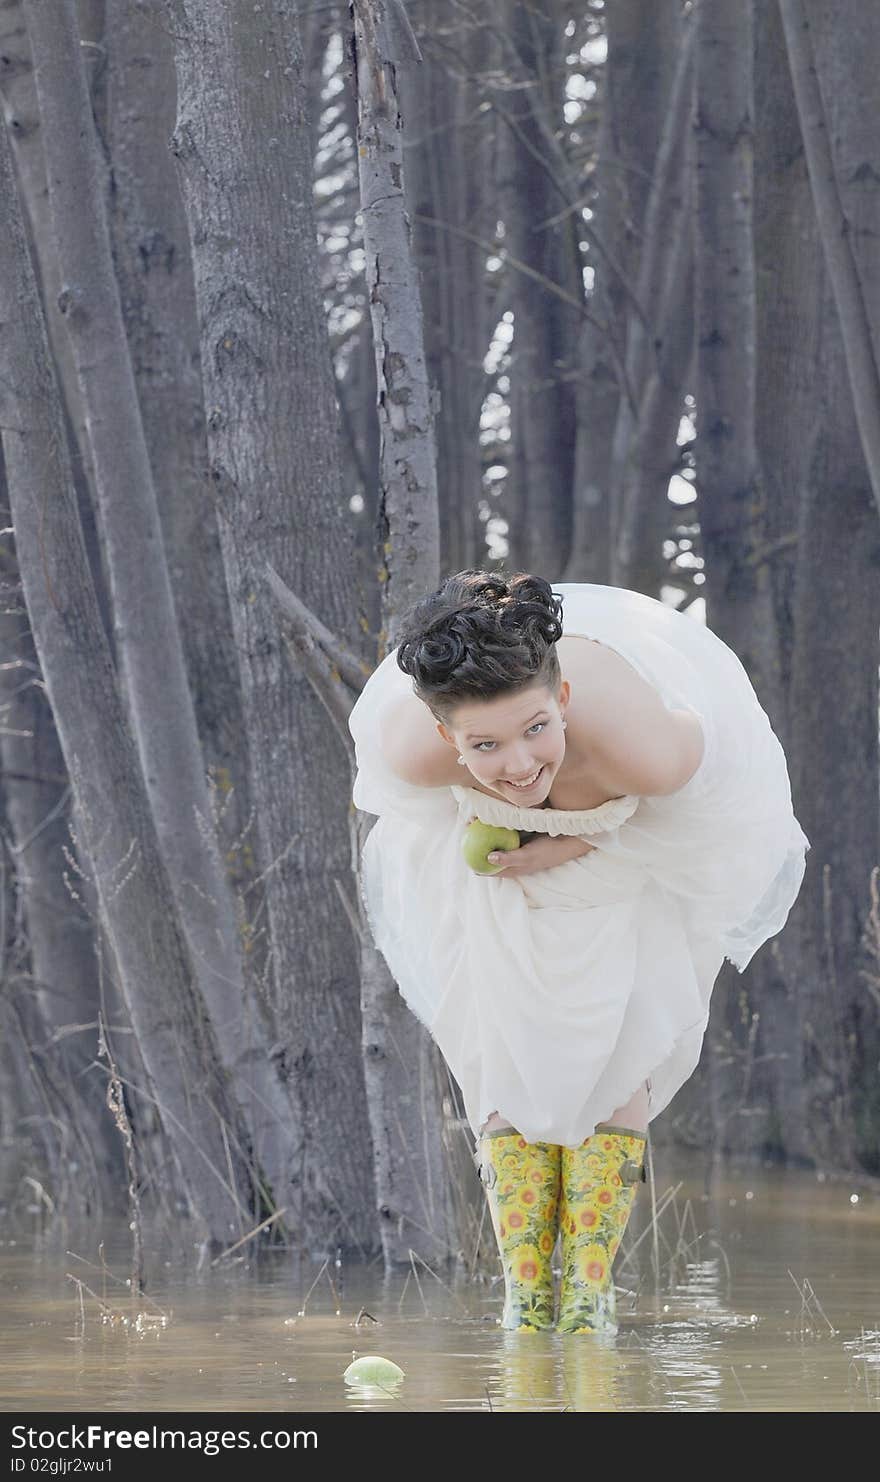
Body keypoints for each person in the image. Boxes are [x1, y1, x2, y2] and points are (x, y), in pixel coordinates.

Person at [347, 570, 809, 1334]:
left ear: (561, 702)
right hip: (492, 868)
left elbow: (726, 818)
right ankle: (525, 1299)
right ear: (446, 739)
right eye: (484, 744)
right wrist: (503, 839)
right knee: (501, 1038)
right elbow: (414, 826)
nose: (520, 764)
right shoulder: (413, 753)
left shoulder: (650, 751)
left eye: (534, 729)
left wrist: (575, 841)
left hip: (644, 849)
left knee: (615, 1036)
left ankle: (590, 1298)